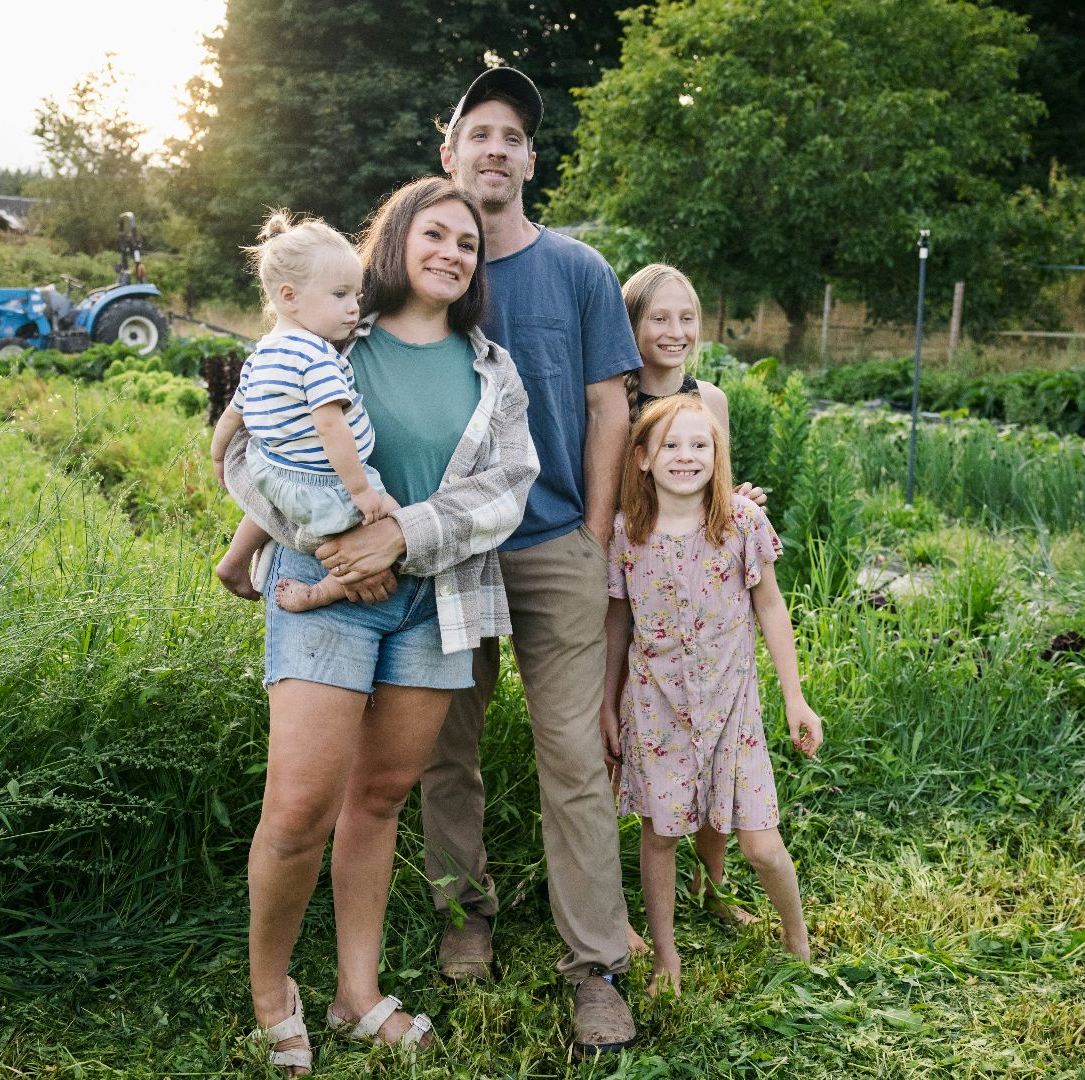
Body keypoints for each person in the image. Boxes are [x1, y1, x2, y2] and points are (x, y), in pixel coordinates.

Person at [219, 177, 538, 1076]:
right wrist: (329, 548)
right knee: (298, 807)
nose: (451, 253)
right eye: (433, 234)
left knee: (380, 796)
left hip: (438, 603)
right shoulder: (328, 336)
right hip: (325, 589)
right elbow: (254, 451)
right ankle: (271, 992)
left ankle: (356, 996)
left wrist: (400, 536)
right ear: (394, 242)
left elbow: (507, 489)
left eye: (467, 244)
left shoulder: (492, 370)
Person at [419, 66, 644, 1054]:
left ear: (531, 162)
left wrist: (594, 538)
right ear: (450, 153)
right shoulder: (422, 267)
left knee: (573, 761)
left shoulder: (580, 273)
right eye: (481, 131)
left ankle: (594, 966)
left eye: (514, 135)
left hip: (554, 545)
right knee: (446, 748)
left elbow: (609, 408)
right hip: (454, 549)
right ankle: (463, 916)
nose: (498, 148)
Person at [600, 394, 824, 997]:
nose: (686, 456)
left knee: (762, 846)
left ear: (717, 455)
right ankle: (667, 959)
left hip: (733, 712)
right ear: (643, 458)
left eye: (700, 444)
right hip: (656, 708)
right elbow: (618, 624)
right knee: (662, 836)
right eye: (671, 445)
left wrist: (795, 698)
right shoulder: (627, 533)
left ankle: (797, 940)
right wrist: (605, 701)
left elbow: (771, 608)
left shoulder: (741, 524)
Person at [212, 212, 395, 613]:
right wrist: (361, 490)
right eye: (340, 295)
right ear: (289, 296)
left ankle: (235, 560)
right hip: (322, 483)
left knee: (274, 500)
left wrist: (218, 457)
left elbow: (232, 415)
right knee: (392, 525)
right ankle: (323, 590)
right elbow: (331, 426)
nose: (353, 309)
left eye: (356, 297)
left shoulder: (263, 353)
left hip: (271, 469)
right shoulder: (315, 356)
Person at [621, 263, 729, 432]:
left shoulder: (712, 400)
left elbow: (721, 460)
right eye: (659, 319)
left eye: (686, 318)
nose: (676, 333)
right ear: (630, 325)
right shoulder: (609, 404)